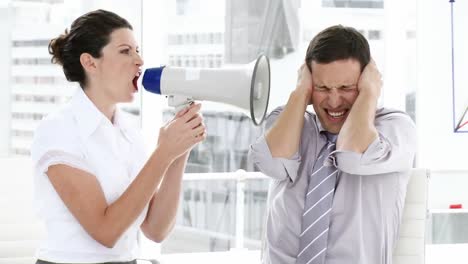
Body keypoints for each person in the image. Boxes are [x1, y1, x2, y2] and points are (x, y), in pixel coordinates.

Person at [30, 9, 206, 264]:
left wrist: (179, 151)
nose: (140, 60)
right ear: (90, 62)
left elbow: (155, 230)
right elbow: (106, 231)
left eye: (137, 50)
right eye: (126, 51)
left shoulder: (129, 130)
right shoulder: (58, 130)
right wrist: (163, 152)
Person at [249, 25, 416, 264]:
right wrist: (300, 93)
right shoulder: (291, 120)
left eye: (346, 88)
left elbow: (352, 155)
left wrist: (370, 92)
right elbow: (270, 164)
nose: (334, 101)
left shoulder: (395, 128)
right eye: (322, 88)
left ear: (365, 79)